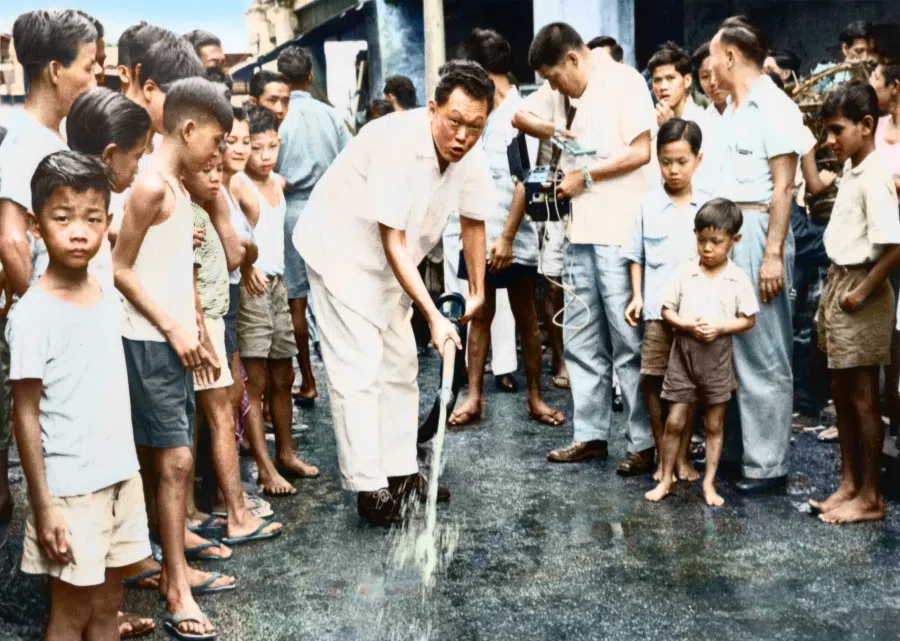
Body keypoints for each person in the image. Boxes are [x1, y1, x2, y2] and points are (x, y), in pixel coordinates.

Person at [294, 60, 494, 526]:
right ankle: (370, 488)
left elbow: (474, 219)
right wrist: (434, 316)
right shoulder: (395, 143)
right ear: (432, 110)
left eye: (476, 126)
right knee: (360, 369)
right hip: (341, 253)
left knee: (401, 362)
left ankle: (402, 472)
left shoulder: (471, 151)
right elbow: (393, 241)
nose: (463, 135)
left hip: (391, 267)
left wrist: (478, 291)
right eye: (455, 122)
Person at [11, 151, 152, 641]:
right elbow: (24, 412)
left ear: (107, 222)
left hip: (117, 473)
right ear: (35, 224)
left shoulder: (102, 291)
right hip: (70, 488)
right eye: (62, 217)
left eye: (92, 219)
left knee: (110, 606)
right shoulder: (32, 315)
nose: (78, 232)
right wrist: (44, 503)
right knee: (70, 615)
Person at [113, 77, 235, 640]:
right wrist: (171, 327)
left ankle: (174, 571)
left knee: (172, 461)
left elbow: (177, 271)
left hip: (177, 341)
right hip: (146, 340)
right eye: (216, 141)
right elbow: (119, 268)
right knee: (176, 461)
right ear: (187, 129)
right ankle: (176, 584)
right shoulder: (150, 189)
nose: (219, 153)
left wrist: (200, 331)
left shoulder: (182, 189)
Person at [512, 23, 655, 473]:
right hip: (578, 232)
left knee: (627, 340)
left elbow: (641, 152)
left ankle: (643, 441)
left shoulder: (624, 82)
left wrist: (586, 177)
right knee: (581, 339)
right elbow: (517, 116)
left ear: (573, 60)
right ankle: (589, 434)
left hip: (618, 230)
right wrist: (554, 125)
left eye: (556, 77)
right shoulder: (562, 93)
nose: (555, 86)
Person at [0, 8, 99, 528]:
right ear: (56, 70)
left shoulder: (51, 138)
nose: (95, 78)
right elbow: (11, 239)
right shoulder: (27, 141)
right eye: (88, 66)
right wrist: (43, 312)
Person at [707, 16, 804, 494]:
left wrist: (772, 255)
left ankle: (768, 465)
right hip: (729, 230)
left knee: (765, 349)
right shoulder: (730, 110)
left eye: (711, 54)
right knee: (732, 346)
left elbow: (784, 186)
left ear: (729, 56)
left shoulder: (775, 107)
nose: (708, 64)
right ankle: (738, 453)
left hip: (762, 227)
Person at [448, 28, 563, 428]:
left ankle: (535, 398)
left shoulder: (520, 114)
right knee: (479, 314)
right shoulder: (476, 112)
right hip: (477, 230)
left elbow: (523, 181)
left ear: (483, 70)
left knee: (525, 316)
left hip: (513, 236)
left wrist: (507, 238)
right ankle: (474, 396)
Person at [808, 82, 900, 524]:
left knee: (863, 397)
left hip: (860, 290)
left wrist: (861, 293)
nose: (829, 140)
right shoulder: (854, 169)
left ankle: (871, 495)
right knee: (841, 392)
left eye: (836, 130)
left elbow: (895, 247)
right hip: (841, 284)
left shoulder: (876, 175)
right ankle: (849, 482)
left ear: (867, 126)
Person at [184, 145, 284, 544]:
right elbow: (191, 282)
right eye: (205, 169)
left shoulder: (208, 205)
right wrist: (203, 334)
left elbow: (232, 253)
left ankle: (204, 509)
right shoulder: (184, 212)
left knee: (210, 416)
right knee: (219, 417)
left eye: (216, 169)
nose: (214, 177)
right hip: (202, 323)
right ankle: (236, 513)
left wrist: (247, 256)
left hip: (209, 317)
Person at [645, 198, 759, 506]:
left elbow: (749, 319)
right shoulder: (685, 272)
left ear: (734, 240)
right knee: (675, 420)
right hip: (683, 356)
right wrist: (684, 324)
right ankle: (666, 477)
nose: (707, 248)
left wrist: (721, 327)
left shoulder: (737, 278)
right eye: (701, 240)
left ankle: (709, 484)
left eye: (716, 242)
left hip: (717, 360)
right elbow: (666, 309)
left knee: (713, 425)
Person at [232, 104, 319, 496]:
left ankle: (286, 453)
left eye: (272, 147)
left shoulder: (276, 183)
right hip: (252, 289)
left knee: (284, 375)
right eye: (256, 147)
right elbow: (229, 232)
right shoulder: (236, 184)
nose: (265, 156)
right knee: (256, 380)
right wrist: (247, 267)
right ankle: (265, 468)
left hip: (278, 283)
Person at [624, 118, 709, 481]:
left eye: (682, 162)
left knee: (688, 388)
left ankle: (683, 456)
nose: (673, 170)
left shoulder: (707, 208)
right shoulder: (646, 206)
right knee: (654, 380)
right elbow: (636, 256)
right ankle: (663, 455)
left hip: (694, 315)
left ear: (698, 161)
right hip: (658, 311)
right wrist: (637, 297)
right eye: (665, 161)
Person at [275, 45, 351, 407]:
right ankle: (342, 378)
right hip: (328, 210)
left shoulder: (279, 118)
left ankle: (308, 380)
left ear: (281, 78)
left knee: (297, 302)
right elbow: (349, 163)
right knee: (334, 296)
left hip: (290, 211)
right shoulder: (331, 115)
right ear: (309, 76)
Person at [691, 42, 728, 194]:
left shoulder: (751, 114)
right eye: (705, 76)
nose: (712, 82)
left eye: (718, 73)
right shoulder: (699, 122)